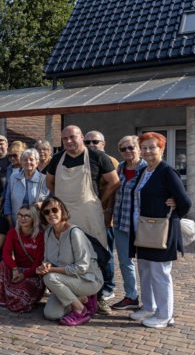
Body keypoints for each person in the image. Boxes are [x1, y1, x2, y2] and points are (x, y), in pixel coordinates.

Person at [129, 132, 191, 328]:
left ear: (161, 149)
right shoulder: (144, 171)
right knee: (145, 270)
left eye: (152, 147)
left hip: (161, 231)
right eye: (144, 147)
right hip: (143, 229)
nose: (147, 151)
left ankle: (165, 315)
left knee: (160, 273)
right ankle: (149, 307)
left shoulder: (167, 172)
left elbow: (185, 201)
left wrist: (174, 211)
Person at [45, 125, 119, 249]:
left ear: (81, 137)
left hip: (89, 213)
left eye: (72, 137)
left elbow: (114, 182)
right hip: (64, 214)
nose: (68, 141)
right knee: (67, 250)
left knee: (94, 250)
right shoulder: (57, 159)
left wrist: (100, 200)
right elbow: (49, 182)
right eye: (65, 139)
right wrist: (61, 197)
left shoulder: (98, 157)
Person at [37, 196, 102, 326]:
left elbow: (82, 267)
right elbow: (47, 259)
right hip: (65, 280)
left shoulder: (75, 233)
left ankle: (80, 309)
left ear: (62, 211)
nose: (51, 214)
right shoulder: (48, 233)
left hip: (87, 280)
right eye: (46, 212)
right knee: (52, 314)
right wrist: (44, 267)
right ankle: (83, 299)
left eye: (54, 210)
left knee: (49, 278)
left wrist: (52, 270)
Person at [110, 135, 147, 311]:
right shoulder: (119, 168)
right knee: (125, 262)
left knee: (145, 264)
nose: (127, 151)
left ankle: (149, 301)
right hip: (121, 222)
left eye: (131, 147)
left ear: (139, 148)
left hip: (142, 224)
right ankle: (131, 296)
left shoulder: (147, 169)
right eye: (123, 149)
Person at [84, 130, 120, 304]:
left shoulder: (110, 160)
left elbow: (114, 187)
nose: (91, 145)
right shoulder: (86, 160)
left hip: (106, 215)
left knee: (106, 253)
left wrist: (102, 205)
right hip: (89, 215)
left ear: (103, 144)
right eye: (87, 142)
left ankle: (108, 287)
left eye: (95, 142)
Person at [0, 205, 46, 313]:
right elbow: (6, 253)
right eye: (20, 215)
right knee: (3, 264)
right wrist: (15, 269)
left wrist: (24, 275)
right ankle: (2, 296)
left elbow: (38, 262)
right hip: (17, 270)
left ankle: (13, 296)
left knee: (21, 299)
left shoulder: (40, 236)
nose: (22, 218)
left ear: (34, 218)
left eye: (27, 216)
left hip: (33, 273)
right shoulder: (13, 232)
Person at [4, 148, 49, 227]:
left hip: (38, 223)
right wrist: (10, 220)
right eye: (25, 160)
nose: (28, 162)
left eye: (31, 159)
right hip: (17, 222)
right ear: (21, 162)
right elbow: (7, 200)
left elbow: (51, 201)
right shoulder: (13, 178)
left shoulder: (45, 179)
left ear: (37, 162)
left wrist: (42, 204)